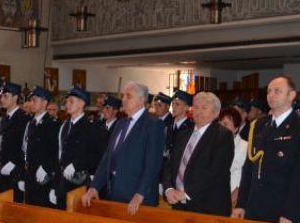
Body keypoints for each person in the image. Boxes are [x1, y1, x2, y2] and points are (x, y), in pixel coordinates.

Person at [234, 76, 300, 223]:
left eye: (277, 91)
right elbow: (249, 168)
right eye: (269, 91)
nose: (271, 95)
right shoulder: (258, 125)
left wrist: (290, 212)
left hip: (284, 211)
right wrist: (241, 204)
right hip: (255, 208)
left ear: (291, 95)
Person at [82, 82, 164, 214]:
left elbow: (153, 164)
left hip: (137, 199)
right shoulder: (121, 124)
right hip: (114, 192)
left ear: (141, 100)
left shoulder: (153, 124)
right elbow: (107, 158)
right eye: (123, 96)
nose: (123, 99)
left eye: (128, 96)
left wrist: (140, 194)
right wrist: (94, 187)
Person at [162, 92, 234, 216]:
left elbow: (216, 172)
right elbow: (170, 164)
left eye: (204, 108)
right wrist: (168, 189)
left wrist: (186, 193)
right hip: (178, 204)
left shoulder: (223, 136)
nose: (198, 111)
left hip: (207, 207)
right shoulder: (183, 134)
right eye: (196, 107)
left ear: (216, 113)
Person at [49, 86, 102, 209]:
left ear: (81, 104)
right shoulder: (65, 125)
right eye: (67, 101)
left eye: (71, 101)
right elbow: (59, 157)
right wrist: (54, 186)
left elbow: (98, 156)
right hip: (62, 184)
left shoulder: (91, 128)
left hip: (79, 185)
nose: (67, 104)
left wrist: (76, 165)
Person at [0, 81, 29, 202]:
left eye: (5, 96)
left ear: (15, 97)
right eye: (1, 96)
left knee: (14, 208)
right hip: (1, 171)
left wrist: (14, 163)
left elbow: (26, 148)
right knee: (0, 207)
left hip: (15, 173)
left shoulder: (24, 118)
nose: (2, 99)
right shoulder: (3, 119)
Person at [22, 86, 59, 208]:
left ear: (44, 103)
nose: (31, 103)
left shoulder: (52, 124)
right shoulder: (32, 123)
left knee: (42, 211)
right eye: (31, 100)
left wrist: (46, 167)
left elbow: (56, 152)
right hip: (30, 176)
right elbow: (27, 151)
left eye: (34, 100)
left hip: (44, 177)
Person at [218, 107, 248, 210]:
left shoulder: (245, 147)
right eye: (219, 124)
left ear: (236, 128)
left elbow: (241, 180)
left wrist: (230, 203)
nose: (221, 127)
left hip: (231, 201)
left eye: (225, 124)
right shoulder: (214, 145)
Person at [161, 90, 193, 171]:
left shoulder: (190, 128)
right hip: (165, 168)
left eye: (177, 104)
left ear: (186, 107)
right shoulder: (169, 125)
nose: (173, 107)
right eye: (173, 104)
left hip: (179, 168)